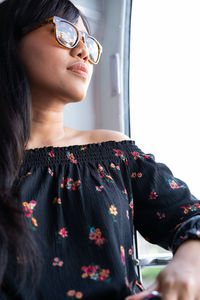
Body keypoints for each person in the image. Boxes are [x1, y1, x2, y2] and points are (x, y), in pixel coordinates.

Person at [0, 0, 200, 299]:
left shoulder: (114, 153)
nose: (83, 52)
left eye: (89, 44)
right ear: (10, 41)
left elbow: (189, 216)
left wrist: (190, 263)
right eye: (65, 33)